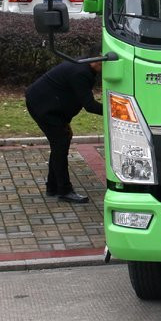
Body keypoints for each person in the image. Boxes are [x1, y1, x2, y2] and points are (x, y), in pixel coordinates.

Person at [26, 45, 104, 203]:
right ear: (97, 59)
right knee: (60, 145)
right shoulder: (81, 72)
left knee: (60, 144)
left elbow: (69, 96)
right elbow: (89, 105)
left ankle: (53, 186)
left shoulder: (83, 66)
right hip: (43, 106)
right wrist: (116, 111)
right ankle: (64, 191)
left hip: (48, 105)